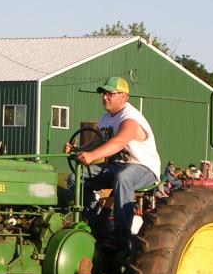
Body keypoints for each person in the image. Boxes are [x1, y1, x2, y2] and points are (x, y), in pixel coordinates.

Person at [64, 76, 161, 245]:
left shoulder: (130, 117)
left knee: (123, 178)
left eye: (110, 93)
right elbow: (96, 143)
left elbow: (119, 141)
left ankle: (121, 236)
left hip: (144, 168)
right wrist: (76, 150)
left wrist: (92, 156)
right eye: (103, 93)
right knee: (74, 178)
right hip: (118, 167)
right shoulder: (105, 118)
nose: (104, 97)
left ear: (123, 96)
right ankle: (95, 223)